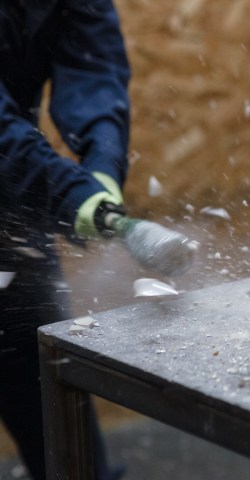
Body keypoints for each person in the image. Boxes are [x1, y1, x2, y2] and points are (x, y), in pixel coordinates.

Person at [0, 1, 132, 478]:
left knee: (67, 450)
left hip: (14, 224)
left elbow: (93, 68)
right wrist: (69, 191)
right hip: (22, 176)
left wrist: (102, 169)